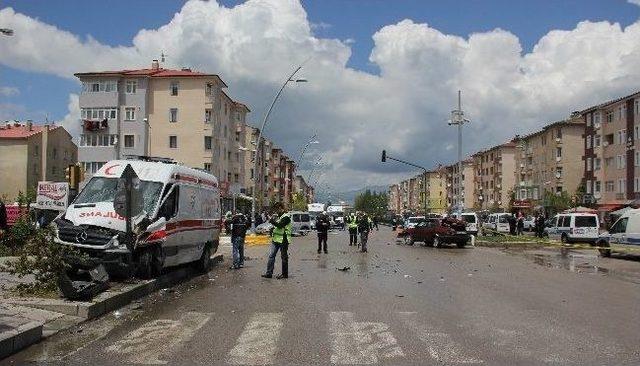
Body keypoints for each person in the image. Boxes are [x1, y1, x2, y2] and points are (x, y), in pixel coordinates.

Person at [262, 203, 292, 279]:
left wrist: (271, 221)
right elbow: (277, 226)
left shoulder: (286, 217)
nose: (275, 211)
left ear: (280, 208)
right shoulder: (279, 217)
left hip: (283, 239)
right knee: (271, 256)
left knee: (284, 257)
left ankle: (284, 274)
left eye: (276, 209)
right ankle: (269, 273)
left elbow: (280, 225)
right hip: (275, 239)